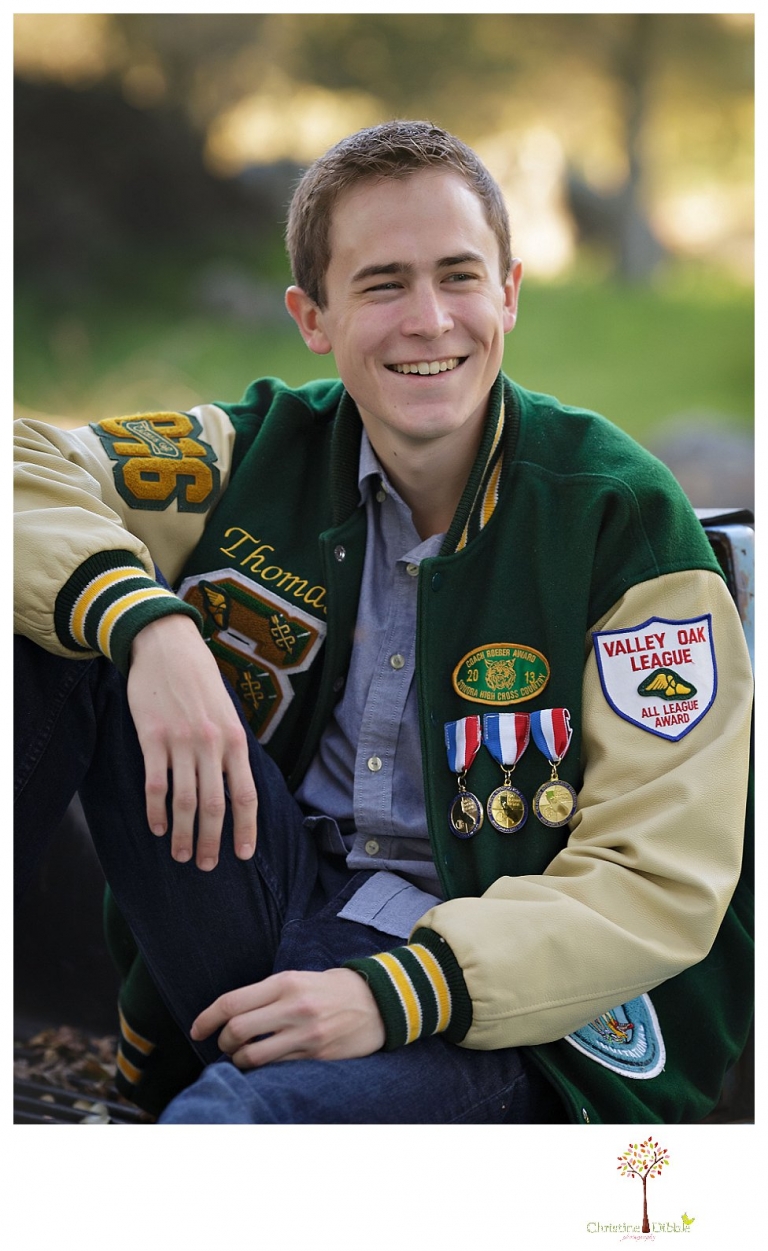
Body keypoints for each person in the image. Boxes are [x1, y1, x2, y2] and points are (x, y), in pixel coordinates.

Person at [14, 120, 753, 1124]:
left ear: (510, 293)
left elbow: (656, 878)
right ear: (312, 316)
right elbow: (23, 466)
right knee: (46, 626)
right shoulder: (256, 451)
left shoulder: (618, 517)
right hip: (268, 900)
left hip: (501, 1002)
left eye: (459, 276)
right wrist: (151, 627)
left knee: (226, 1135)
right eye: (382, 285)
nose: (429, 320)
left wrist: (393, 993)